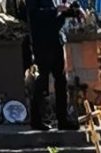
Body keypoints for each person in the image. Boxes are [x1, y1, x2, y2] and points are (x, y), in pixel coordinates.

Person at [25, 0, 80, 129]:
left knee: (61, 80)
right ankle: (37, 120)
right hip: (43, 42)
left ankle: (63, 119)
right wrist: (56, 10)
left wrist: (74, 11)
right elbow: (34, 15)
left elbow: (62, 13)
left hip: (57, 40)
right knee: (42, 81)